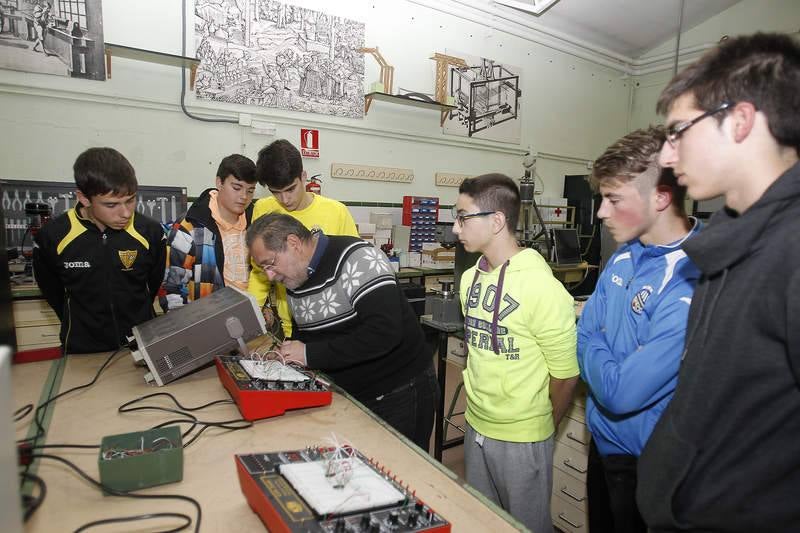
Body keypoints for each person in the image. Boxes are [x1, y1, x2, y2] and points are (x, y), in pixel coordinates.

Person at [636, 33, 800, 532]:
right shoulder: (726, 243)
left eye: (678, 132)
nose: (667, 157)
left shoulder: (791, 249)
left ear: (741, 120)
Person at [577, 126, 700, 533]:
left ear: (661, 198)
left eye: (613, 200)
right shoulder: (624, 255)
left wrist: (593, 343)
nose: (601, 213)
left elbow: (621, 392)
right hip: (602, 442)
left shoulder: (691, 278)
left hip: (648, 461)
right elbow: (582, 332)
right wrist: (596, 344)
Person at [452, 173, 579, 533]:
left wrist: (540, 428)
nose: (455, 228)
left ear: (496, 221)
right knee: (483, 522)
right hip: (476, 423)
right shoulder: (469, 279)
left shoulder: (541, 287)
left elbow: (566, 375)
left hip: (523, 436)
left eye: (462, 217)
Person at [246, 213, 437, 451]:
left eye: (270, 264)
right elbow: (309, 334)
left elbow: (384, 332)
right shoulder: (295, 277)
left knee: (401, 465)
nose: (269, 275)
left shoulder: (359, 259)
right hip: (351, 393)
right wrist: (289, 358)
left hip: (399, 389)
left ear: (293, 243)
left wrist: (309, 354)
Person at [33, 147, 166, 354]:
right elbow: (52, 291)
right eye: (111, 205)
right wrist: (81, 326)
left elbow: (152, 285)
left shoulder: (150, 232)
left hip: (141, 346)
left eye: (130, 200)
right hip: (83, 349)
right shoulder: (53, 236)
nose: (125, 213)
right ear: (84, 198)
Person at [248, 139, 358, 338]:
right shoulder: (263, 209)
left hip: (334, 324)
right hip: (290, 326)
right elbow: (260, 272)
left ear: (303, 176)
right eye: (276, 192)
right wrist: (251, 317)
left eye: (290, 189)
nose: (285, 200)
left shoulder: (336, 212)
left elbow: (354, 270)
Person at [162, 154, 257, 311]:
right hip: (207, 317)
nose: (244, 196)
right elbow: (172, 287)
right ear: (219, 182)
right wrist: (186, 323)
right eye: (237, 188)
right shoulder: (189, 227)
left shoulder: (256, 225)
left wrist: (265, 308)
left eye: (250, 191)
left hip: (251, 314)